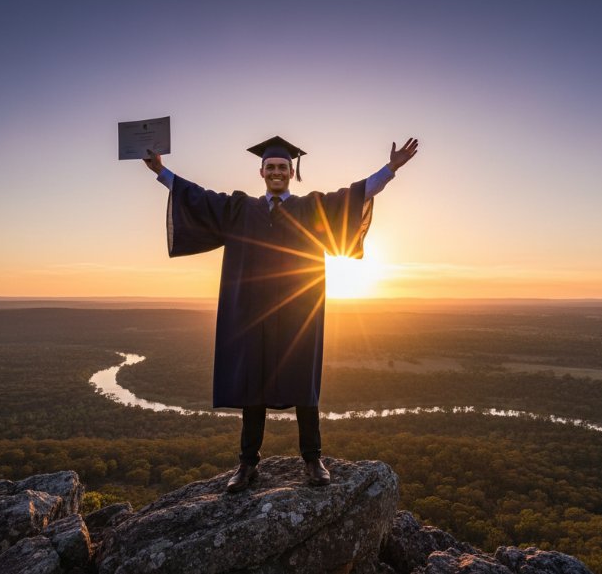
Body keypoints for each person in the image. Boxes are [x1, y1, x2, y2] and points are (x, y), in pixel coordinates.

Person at [143, 135, 418, 492]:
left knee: (303, 382)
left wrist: (391, 169)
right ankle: (246, 464)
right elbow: (198, 197)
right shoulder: (241, 210)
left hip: (298, 312)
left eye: (282, 168)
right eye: (271, 167)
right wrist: (161, 171)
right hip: (252, 313)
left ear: (292, 172)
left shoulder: (309, 208)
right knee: (252, 386)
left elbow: (355, 194)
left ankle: (312, 458)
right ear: (261, 171)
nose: (276, 172)